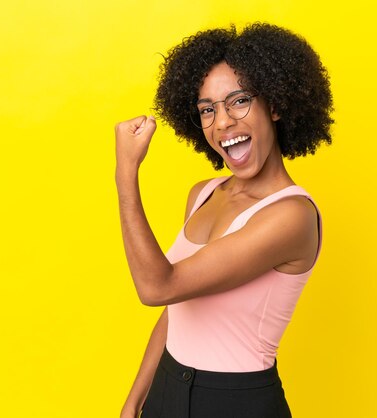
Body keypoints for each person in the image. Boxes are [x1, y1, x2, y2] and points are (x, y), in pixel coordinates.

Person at [115, 23, 333, 418]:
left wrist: (125, 172)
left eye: (239, 101)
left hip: (235, 401)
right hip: (168, 384)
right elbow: (178, 305)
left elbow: (156, 287)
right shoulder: (203, 193)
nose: (222, 122)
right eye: (207, 109)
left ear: (276, 104)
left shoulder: (291, 216)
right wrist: (136, 399)